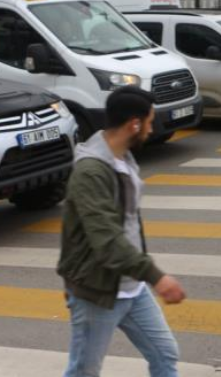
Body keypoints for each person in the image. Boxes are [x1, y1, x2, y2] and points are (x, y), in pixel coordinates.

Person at [59, 87, 186, 377]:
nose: (152, 129)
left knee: (165, 353)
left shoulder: (123, 158)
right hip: (98, 290)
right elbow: (106, 238)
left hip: (132, 285)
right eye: (150, 122)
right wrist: (157, 276)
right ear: (134, 124)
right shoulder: (91, 171)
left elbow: (127, 222)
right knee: (84, 371)